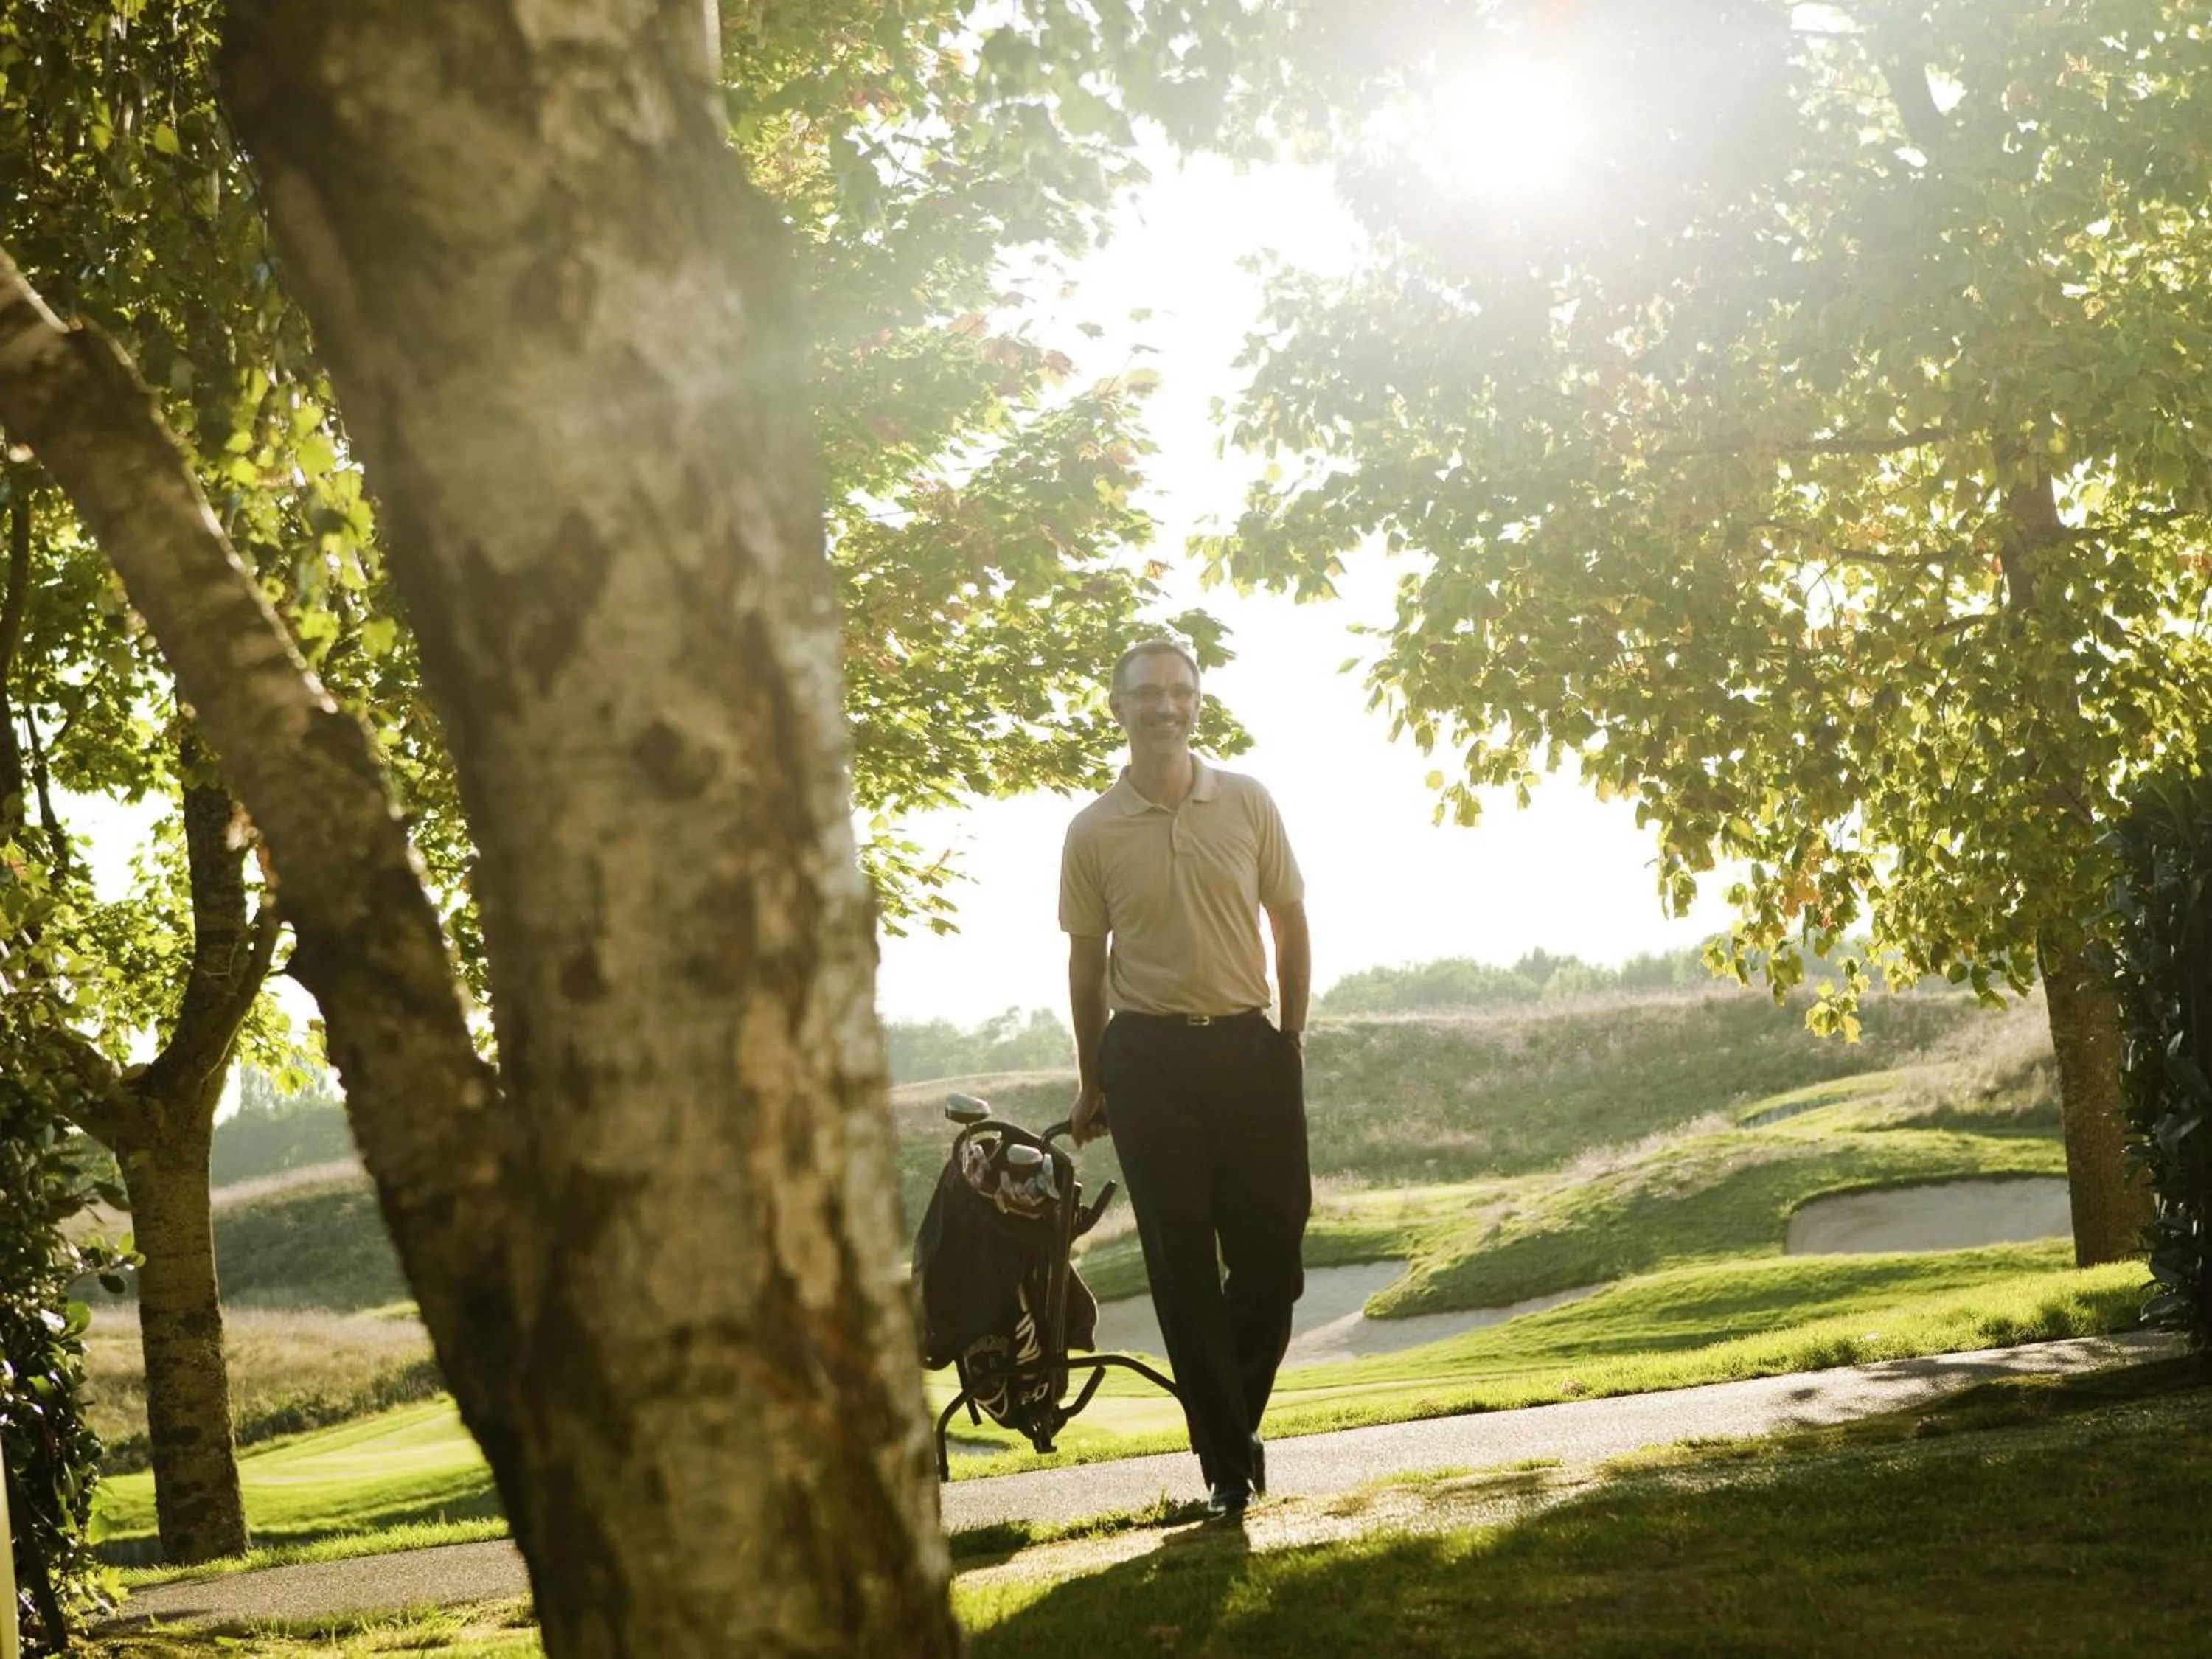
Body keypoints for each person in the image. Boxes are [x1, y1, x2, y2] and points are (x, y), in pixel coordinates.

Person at [1059, 639, 1311, 1520]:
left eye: (1180, 692)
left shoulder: (1246, 801)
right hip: (1149, 1061)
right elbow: (1086, 969)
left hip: (1249, 1049)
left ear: (1197, 704)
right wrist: (1094, 1079)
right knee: (1181, 1270)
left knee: (1274, 1257)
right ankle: (1227, 1469)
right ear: (1118, 707)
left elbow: (1290, 923)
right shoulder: (1091, 830)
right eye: (1148, 694)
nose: (1166, 706)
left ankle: (1230, 1428)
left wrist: (1290, 1039)